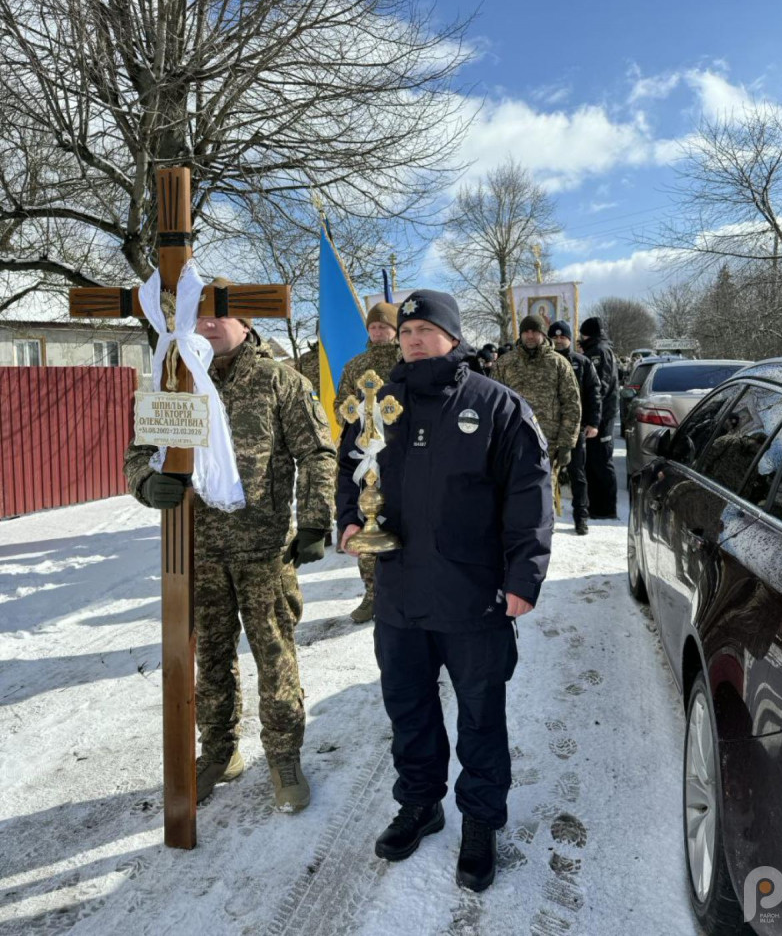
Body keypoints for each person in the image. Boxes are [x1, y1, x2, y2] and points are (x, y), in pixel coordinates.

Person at [337, 289, 553, 893]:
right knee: (409, 710)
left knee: (481, 716)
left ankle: (481, 820)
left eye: (425, 329)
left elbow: (529, 495)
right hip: (401, 596)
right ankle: (420, 804)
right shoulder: (377, 404)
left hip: (473, 595)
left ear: (452, 337)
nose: (411, 339)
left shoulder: (495, 406)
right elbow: (351, 468)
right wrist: (351, 518)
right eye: (406, 331)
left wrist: (523, 576)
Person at [124, 279, 337, 810]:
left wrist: (314, 522)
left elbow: (317, 453)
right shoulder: (172, 381)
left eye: (223, 314)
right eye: (201, 315)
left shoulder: (278, 381)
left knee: (275, 657)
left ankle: (284, 756)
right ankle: (219, 750)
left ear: (246, 323)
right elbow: (138, 454)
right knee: (210, 659)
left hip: (264, 550)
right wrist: (146, 484)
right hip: (195, 551)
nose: (210, 323)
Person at [334, 301, 400, 622]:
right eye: (373, 327)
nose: (378, 332)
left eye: (384, 327)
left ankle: (401, 592)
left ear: (394, 329)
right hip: (365, 455)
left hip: (401, 454)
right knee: (366, 517)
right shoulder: (355, 365)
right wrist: (357, 414)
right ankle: (371, 592)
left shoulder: (406, 361)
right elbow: (340, 406)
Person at [492, 313, 581, 501]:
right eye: (526, 331)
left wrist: (567, 444)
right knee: (512, 494)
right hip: (513, 442)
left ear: (543, 334)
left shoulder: (559, 363)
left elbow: (571, 404)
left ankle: (543, 530)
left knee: (543, 495)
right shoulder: (505, 363)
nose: (530, 336)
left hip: (548, 444)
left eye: (535, 331)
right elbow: (493, 404)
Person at [548, 320, 601, 535]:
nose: (559, 340)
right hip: (548, 428)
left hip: (574, 428)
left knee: (577, 474)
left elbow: (593, 393)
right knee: (546, 475)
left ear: (570, 339)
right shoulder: (544, 362)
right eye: (555, 337)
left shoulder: (582, 362)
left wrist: (594, 422)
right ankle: (546, 517)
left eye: (563, 337)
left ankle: (581, 517)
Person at [578, 316, 620, 519]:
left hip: (602, 417)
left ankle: (605, 509)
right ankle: (597, 506)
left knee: (601, 462)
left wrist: (593, 416)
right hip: (600, 415)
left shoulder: (599, 352)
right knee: (594, 462)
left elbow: (598, 387)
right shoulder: (597, 349)